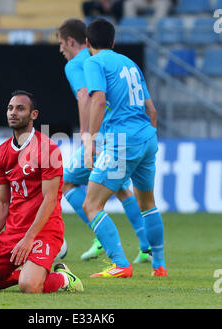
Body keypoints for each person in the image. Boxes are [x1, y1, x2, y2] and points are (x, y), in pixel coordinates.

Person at [0, 90, 83, 293]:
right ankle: (27, 271)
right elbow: (2, 202)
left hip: (43, 231)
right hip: (12, 232)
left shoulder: (48, 149)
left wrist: (29, 237)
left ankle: (63, 278)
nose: (13, 112)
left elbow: (50, 199)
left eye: (20, 108)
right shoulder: (0, 154)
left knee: (30, 286)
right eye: (10, 108)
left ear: (34, 115)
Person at [57, 18, 152, 264]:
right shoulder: (116, 61)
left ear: (73, 41)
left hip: (102, 135)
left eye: (61, 43)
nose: (60, 50)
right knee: (120, 188)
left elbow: (86, 98)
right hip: (120, 134)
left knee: (66, 182)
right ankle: (146, 245)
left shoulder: (80, 63)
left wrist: (87, 138)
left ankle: (102, 237)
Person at [82, 18, 167, 277]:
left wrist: (92, 142)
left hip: (121, 140)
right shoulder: (130, 64)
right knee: (148, 204)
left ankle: (120, 264)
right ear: (113, 42)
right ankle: (159, 265)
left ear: (87, 43)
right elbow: (151, 109)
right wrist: (148, 138)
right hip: (146, 136)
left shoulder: (93, 62)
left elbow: (98, 100)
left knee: (92, 205)